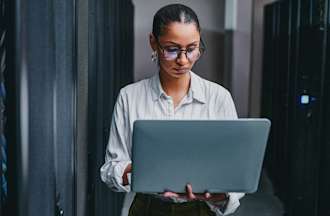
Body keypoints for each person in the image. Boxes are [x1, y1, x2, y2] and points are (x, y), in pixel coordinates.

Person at [100, 3, 244, 216]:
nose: (183, 60)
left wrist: (219, 195)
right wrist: (141, 170)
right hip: (147, 208)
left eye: (192, 49)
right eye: (172, 49)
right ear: (153, 43)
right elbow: (111, 169)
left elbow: (235, 171)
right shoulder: (129, 97)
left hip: (201, 209)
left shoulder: (218, 98)